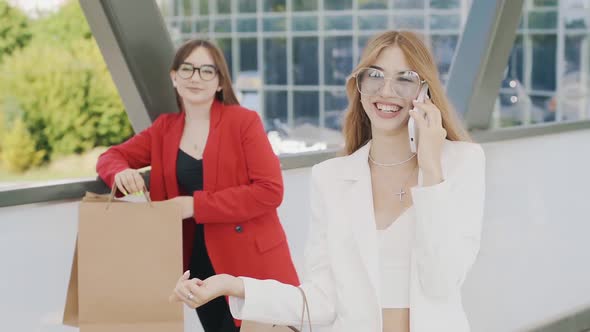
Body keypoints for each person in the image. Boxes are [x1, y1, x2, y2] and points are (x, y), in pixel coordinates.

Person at [170, 30, 486, 332]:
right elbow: (322, 300)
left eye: (405, 79)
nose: (386, 90)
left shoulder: (461, 163)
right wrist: (232, 284)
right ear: (359, 85)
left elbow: (442, 280)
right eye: (375, 75)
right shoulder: (330, 178)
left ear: (425, 92)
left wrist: (431, 170)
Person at [97, 39, 299, 332]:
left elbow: (270, 191)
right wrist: (119, 174)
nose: (195, 77)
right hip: (199, 269)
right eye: (188, 69)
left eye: (207, 71)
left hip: (252, 262)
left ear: (219, 82)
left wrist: (193, 205)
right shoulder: (163, 130)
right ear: (174, 76)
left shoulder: (243, 122)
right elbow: (110, 156)